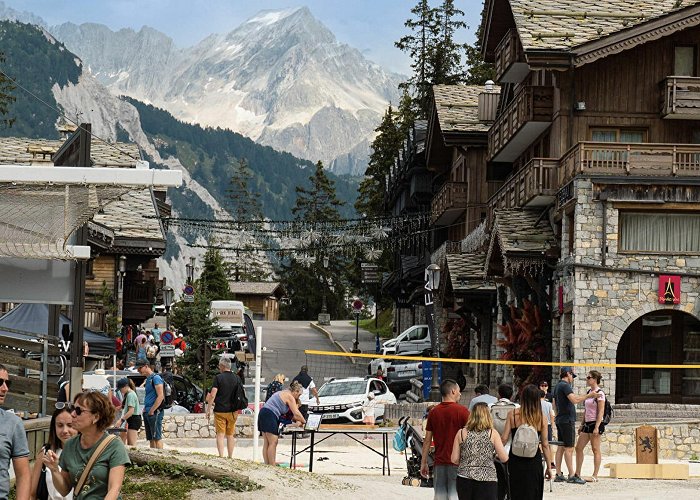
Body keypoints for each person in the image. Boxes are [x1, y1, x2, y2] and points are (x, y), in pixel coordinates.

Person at [43, 391, 130, 500]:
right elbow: (64, 490)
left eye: (79, 411)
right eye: (74, 409)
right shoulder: (70, 445)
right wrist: (54, 469)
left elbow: (114, 489)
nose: (73, 414)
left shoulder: (114, 445)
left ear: (96, 417)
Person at [499, 384, 553, 500]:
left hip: (515, 458)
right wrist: (549, 466)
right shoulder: (541, 417)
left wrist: (495, 452)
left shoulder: (512, 414)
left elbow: (504, 438)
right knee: (533, 492)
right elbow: (545, 444)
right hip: (533, 459)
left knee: (516, 491)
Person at [421, 379, 469, 500]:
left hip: (439, 462)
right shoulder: (463, 412)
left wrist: (424, 462)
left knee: (439, 496)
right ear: (453, 391)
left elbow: (427, 440)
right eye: (459, 391)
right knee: (455, 496)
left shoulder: (433, 412)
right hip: (458, 462)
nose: (460, 393)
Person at [553, 366, 601, 484]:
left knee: (561, 446)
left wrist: (557, 415)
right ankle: (572, 475)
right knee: (569, 448)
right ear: (568, 374)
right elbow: (574, 400)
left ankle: (558, 474)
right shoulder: (565, 386)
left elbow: (554, 404)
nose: (572, 379)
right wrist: (589, 396)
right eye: (572, 376)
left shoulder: (556, 386)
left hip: (560, 419)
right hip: (567, 420)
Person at [451, 403, 509, 500]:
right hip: (487, 480)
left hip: (465, 479)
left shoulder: (461, 433)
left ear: (472, 415)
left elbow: (454, 459)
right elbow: (504, 458)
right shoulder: (492, 433)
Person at [30, 406, 78, 500]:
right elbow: (32, 493)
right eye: (60, 425)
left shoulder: (87, 452)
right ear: (54, 427)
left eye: (70, 425)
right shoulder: (46, 452)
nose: (65, 430)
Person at [0, 364, 30, 500]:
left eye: (8, 383)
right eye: (0, 382)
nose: (5, 388)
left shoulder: (13, 423)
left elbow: (23, 475)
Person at [258, 381, 305, 465]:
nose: (299, 397)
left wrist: (298, 420)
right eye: (299, 394)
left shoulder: (282, 392)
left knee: (267, 442)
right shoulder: (290, 396)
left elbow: (293, 415)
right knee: (273, 442)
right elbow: (296, 413)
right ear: (296, 391)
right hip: (270, 414)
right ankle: (272, 465)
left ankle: (267, 464)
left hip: (263, 412)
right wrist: (304, 421)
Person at [574, 370, 606, 482]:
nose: (587, 379)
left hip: (595, 423)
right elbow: (586, 410)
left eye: (589, 377)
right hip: (587, 423)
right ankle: (577, 473)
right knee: (578, 448)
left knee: (595, 449)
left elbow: (601, 411)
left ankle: (595, 475)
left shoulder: (600, 393)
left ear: (595, 379)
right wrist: (581, 424)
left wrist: (597, 426)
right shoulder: (589, 392)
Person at [206, 357, 241, 458]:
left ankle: (221, 456)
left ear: (222, 366)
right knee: (230, 435)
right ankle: (230, 456)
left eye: (219, 366)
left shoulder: (218, 378)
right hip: (233, 411)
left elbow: (212, 394)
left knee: (220, 435)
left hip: (220, 411)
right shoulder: (237, 378)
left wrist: (208, 410)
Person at [136, 359, 164, 449]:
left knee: (157, 437)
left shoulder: (156, 378)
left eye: (140, 368)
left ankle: (161, 459)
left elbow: (160, 396)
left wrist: (152, 410)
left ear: (146, 366)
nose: (138, 370)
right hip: (148, 411)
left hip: (155, 412)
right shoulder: (148, 379)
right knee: (151, 438)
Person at [115, 378, 141, 446]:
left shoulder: (131, 395)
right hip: (132, 420)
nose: (121, 391)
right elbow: (123, 406)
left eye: (121, 389)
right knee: (129, 444)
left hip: (134, 419)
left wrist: (121, 420)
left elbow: (131, 411)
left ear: (126, 386)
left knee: (132, 444)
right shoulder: (128, 394)